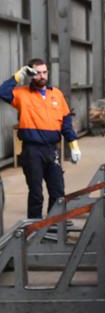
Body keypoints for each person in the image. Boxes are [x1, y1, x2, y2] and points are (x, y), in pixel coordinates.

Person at [0, 58, 82, 219]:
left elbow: (66, 123)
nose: (42, 76)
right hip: (32, 150)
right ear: (31, 74)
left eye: (44, 72)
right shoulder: (21, 94)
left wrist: (74, 145)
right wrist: (19, 75)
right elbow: (2, 92)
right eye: (37, 73)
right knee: (36, 193)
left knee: (58, 191)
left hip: (52, 149)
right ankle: (34, 228)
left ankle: (53, 226)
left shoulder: (56, 94)